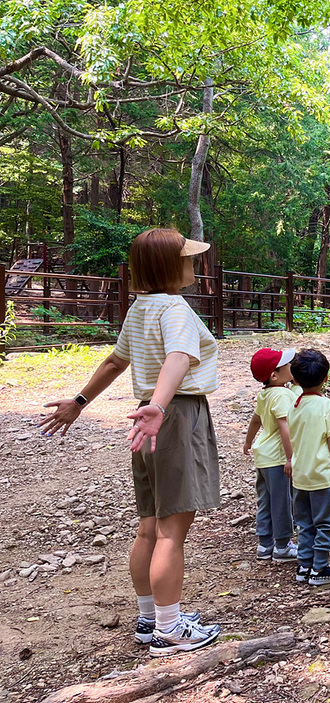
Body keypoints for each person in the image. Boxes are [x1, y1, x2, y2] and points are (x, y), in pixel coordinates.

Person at [40, 228, 220, 656]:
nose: (194, 264)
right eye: (187, 258)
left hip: (150, 416)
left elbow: (115, 361)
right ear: (170, 265)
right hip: (171, 415)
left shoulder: (141, 307)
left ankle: (149, 618)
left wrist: (80, 402)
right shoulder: (173, 308)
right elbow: (178, 357)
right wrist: (159, 405)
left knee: (149, 526)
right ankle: (170, 629)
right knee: (172, 531)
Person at [288, 349, 330, 586]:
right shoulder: (327, 407)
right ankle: (320, 568)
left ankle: (305, 564)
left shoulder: (294, 405)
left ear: (295, 379)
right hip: (322, 476)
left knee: (305, 523)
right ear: (326, 378)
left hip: (300, 475)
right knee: (327, 523)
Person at [244, 347, 297, 563]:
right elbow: (285, 427)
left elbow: (256, 420)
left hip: (263, 456)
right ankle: (283, 546)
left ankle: (265, 544)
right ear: (274, 375)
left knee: (265, 501)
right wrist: (290, 458)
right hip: (278, 458)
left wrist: (248, 441)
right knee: (282, 501)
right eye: (287, 365)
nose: (291, 366)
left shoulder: (264, 394)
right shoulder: (282, 395)